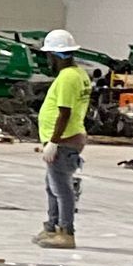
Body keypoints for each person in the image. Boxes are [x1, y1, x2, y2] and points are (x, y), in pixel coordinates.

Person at [36, 27, 89, 249]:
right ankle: (53, 226)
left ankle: (66, 232)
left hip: (65, 140)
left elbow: (64, 112)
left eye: (49, 56)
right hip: (69, 137)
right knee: (53, 185)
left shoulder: (67, 78)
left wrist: (54, 142)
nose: (48, 61)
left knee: (62, 188)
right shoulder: (79, 74)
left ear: (57, 56)